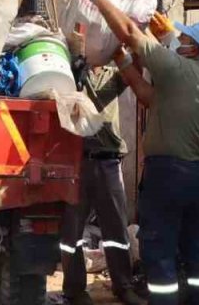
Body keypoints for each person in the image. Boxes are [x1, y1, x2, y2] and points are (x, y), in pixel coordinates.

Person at [73, 0, 199, 305]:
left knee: (159, 249)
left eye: (185, 40)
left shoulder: (176, 68)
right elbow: (145, 95)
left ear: (194, 49)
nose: (179, 41)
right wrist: (122, 60)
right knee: (198, 248)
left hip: (170, 174)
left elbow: (128, 30)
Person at [59, 29, 146, 305]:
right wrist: (74, 73)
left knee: (116, 230)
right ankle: (74, 289)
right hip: (76, 161)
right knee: (72, 230)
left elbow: (132, 74)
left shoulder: (113, 75)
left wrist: (131, 43)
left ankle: (123, 286)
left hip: (108, 160)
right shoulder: (67, 74)